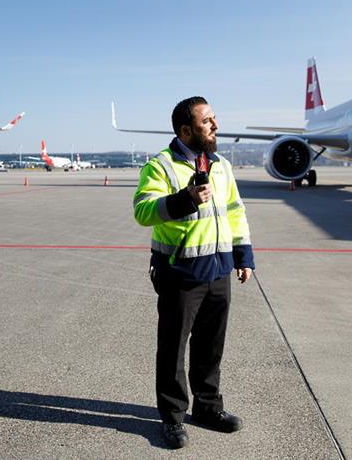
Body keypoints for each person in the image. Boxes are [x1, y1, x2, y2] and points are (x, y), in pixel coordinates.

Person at [133, 96, 255, 449]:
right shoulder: (161, 166)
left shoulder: (221, 166)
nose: (215, 126)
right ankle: (172, 418)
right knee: (173, 348)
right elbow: (143, 211)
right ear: (186, 130)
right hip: (180, 273)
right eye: (207, 121)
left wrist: (243, 256)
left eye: (214, 119)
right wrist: (185, 198)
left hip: (219, 269)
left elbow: (235, 213)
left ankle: (207, 408)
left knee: (210, 345)